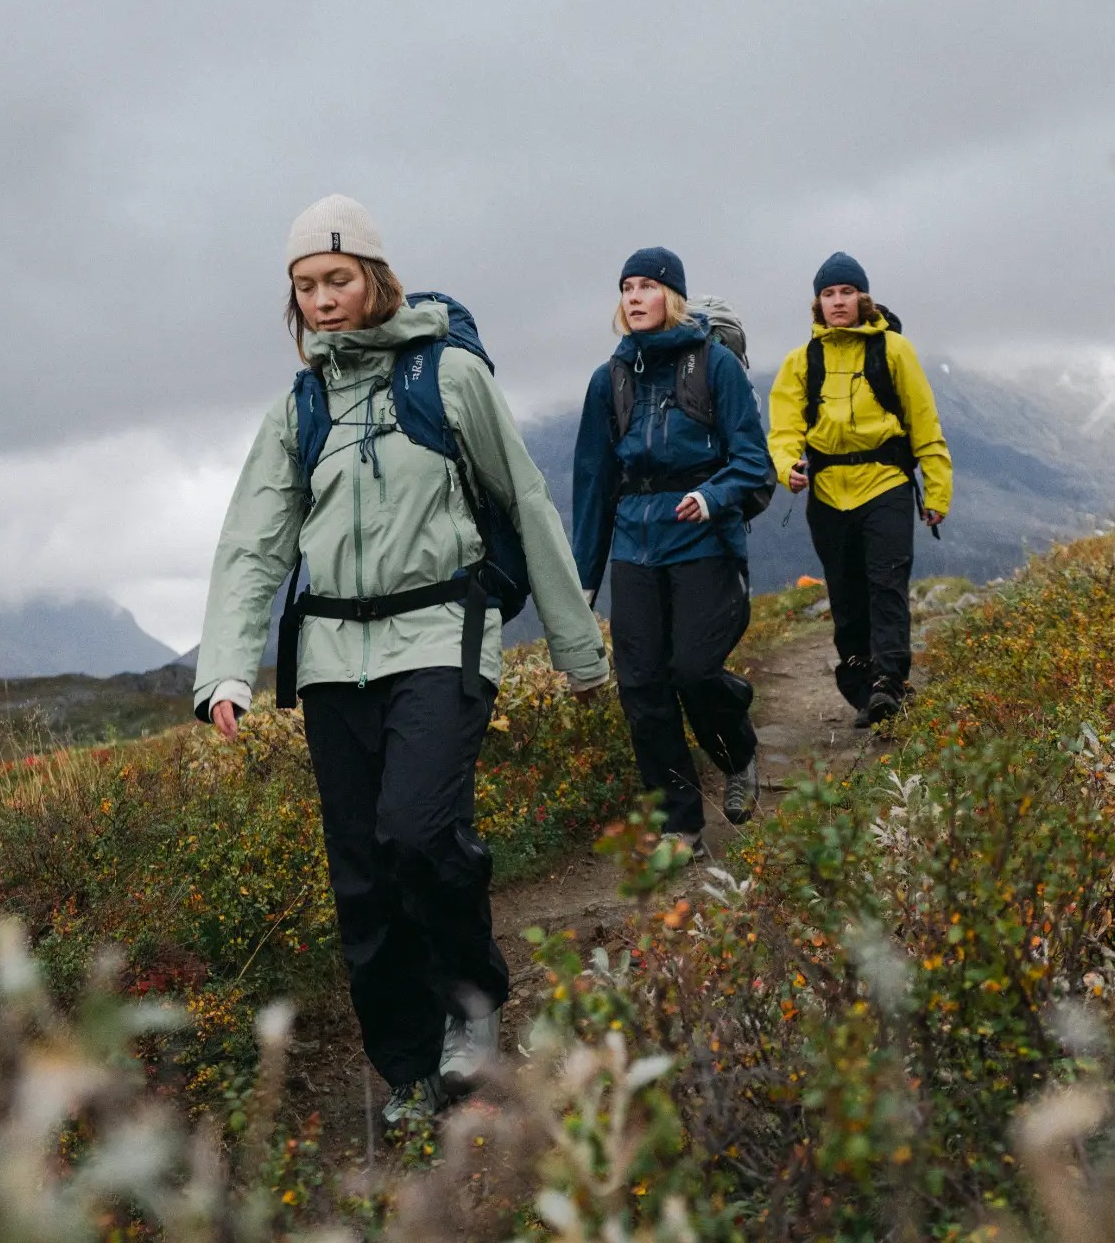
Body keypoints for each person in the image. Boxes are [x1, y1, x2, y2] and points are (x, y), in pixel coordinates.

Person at [192, 195, 610, 1127]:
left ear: (377, 278)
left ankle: (471, 1011)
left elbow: (528, 500)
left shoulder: (451, 376)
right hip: (335, 656)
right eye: (305, 287)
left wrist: (580, 648)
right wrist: (226, 669)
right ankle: (410, 1063)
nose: (322, 300)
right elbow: (256, 544)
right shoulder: (299, 409)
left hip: (439, 632)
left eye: (337, 279)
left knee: (420, 832)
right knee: (363, 877)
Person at [572, 247, 774, 857]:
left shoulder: (716, 367)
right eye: (626, 287)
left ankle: (738, 751)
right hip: (635, 544)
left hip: (703, 542)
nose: (633, 297)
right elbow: (593, 482)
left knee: (693, 671)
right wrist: (584, 577)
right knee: (641, 687)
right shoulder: (608, 379)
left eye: (647, 287)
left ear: (673, 297)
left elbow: (754, 466)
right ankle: (680, 824)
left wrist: (713, 497)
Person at [767, 252, 952, 727]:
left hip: (886, 484)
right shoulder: (800, 362)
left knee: (885, 583)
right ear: (818, 304)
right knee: (846, 596)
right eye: (828, 294)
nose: (838, 302)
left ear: (863, 297)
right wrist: (788, 467)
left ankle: (890, 680)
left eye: (846, 292)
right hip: (827, 492)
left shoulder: (894, 351)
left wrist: (937, 491)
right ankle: (860, 684)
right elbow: (784, 429)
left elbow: (924, 423)